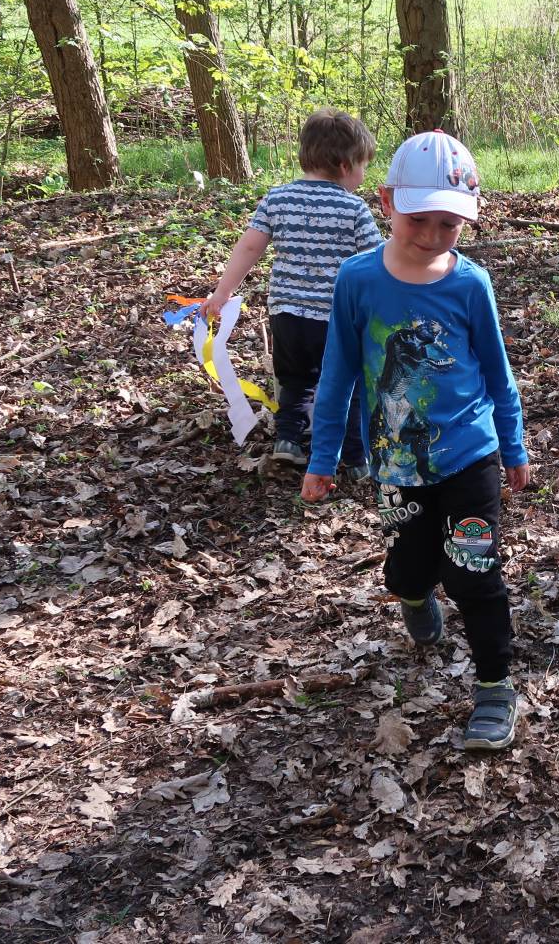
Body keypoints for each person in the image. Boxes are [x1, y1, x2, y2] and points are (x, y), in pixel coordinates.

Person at [301, 130, 530, 750]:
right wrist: (324, 455)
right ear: (386, 202)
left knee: (474, 572)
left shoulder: (469, 284)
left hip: (470, 455)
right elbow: (339, 374)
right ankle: (413, 591)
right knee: (408, 567)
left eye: (448, 224)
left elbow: (498, 373)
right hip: (396, 462)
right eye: (417, 219)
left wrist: (513, 447)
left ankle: (494, 688)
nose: (431, 235)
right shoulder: (357, 280)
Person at [203, 107, 380, 469]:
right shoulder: (354, 208)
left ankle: (289, 439)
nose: (363, 175)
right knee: (348, 383)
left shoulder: (278, 198)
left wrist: (222, 293)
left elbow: (249, 247)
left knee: (296, 380)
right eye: (363, 165)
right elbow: (375, 261)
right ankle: (354, 454)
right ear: (345, 165)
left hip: (286, 314)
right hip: (335, 318)